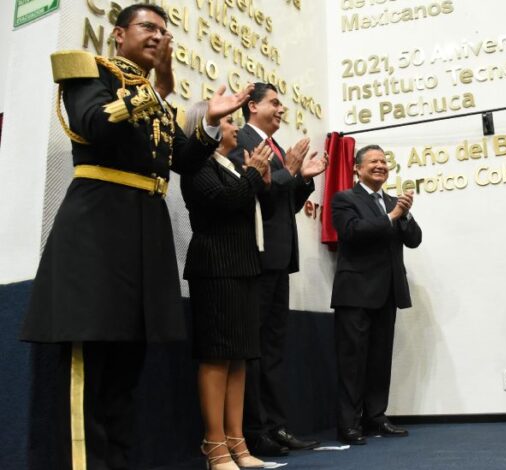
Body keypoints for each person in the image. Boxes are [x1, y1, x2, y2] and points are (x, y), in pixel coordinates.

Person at [19, 5, 253, 469]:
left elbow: (182, 160)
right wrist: (160, 91)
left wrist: (207, 123)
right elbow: (95, 125)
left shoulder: (154, 99)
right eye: (148, 27)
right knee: (93, 366)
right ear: (119, 34)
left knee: (127, 370)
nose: (157, 36)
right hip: (97, 235)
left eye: (163, 31)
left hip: (144, 238)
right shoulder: (90, 71)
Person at [229, 82, 328, 455]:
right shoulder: (239, 141)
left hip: (279, 260)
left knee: (273, 349)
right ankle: (255, 430)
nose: (281, 108)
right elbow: (255, 193)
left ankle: (277, 426)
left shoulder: (276, 149)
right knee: (254, 350)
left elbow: (283, 201)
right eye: (274, 102)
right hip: (255, 258)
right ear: (252, 106)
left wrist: (303, 178)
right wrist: (290, 171)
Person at [180, 102, 273, 469]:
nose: (236, 128)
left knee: (239, 357)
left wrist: (258, 177)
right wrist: (253, 175)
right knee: (217, 355)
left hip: (243, 267)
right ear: (211, 128)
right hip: (215, 267)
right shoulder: (197, 166)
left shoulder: (233, 167)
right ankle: (213, 444)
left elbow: (246, 203)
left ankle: (238, 441)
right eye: (229, 121)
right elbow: (223, 202)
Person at [330, 144, 422, 445]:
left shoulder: (394, 202)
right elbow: (352, 232)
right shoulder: (344, 198)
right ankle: (348, 424)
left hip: (387, 292)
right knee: (352, 362)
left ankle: (376, 418)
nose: (380, 165)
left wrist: (403, 216)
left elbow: (415, 240)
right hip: (355, 293)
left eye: (384, 161)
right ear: (357, 168)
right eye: (373, 161)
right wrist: (392, 216)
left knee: (380, 361)